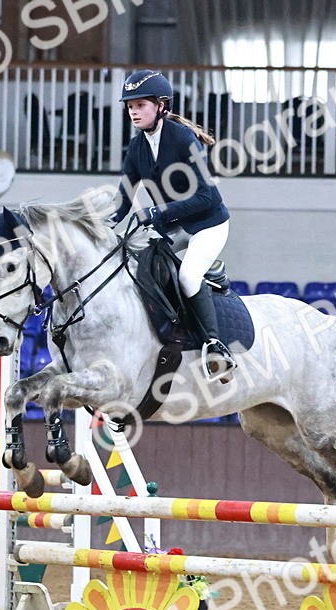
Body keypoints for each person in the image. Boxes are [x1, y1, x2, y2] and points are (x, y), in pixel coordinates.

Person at [108, 69, 236, 382]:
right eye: (130, 106)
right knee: (140, 268)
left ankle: (215, 346)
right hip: (175, 227)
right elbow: (123, 201)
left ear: (161, 105)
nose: (133, 111)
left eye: (140, 105)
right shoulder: (137, 148)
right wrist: (100, 225)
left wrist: (158, 212)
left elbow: (206, 196)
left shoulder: (183, 139)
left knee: (188, 276)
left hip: (208, 225)